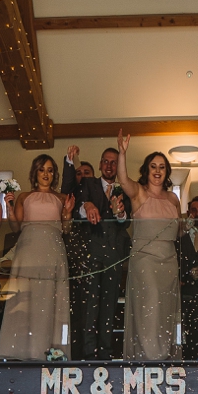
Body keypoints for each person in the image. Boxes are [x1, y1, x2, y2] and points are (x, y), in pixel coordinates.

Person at [0, 155, 73, 361]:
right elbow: (15, 227)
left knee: (49, 299)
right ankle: (18, 352)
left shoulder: (62, 198)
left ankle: (50, 352)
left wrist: (67, 215)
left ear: (54, 174)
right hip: (28, 249)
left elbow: (66, 229)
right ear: (35, 173)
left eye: (50, 170)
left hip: (52, 249)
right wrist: (10, 209)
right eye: (42, 169)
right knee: (25, 299)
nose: (46, 174)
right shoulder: (24, 197)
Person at [115, 133, 182, 361]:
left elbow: (178, 231)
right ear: (147, 169)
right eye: (153, 166)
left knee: (165, 308)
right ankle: (149, 355)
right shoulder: (139, 193)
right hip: (145, 258)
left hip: (169, 260)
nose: (157, 170)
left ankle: (164, 356)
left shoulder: (173, 199)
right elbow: (123, 180)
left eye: (162, 167)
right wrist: (122, 154)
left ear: (167, 172)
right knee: (150, 302)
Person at [62, 146, 130, 360]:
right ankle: (89, 354)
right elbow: (73, 202)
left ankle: (106, 353)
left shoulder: (125, 188)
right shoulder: (88, 183)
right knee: (90, 305)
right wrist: (87, 206)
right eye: (106, 161)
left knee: (109, 306)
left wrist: (120, 213)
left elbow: (125, 222)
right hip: (91, 253)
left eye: (113, 162)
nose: (109, 166)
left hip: (114, 255)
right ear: (100, 164)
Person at [177, 197, 198, 356]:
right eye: (194, 210)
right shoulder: (178, 237)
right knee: (178, 336)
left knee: (197, 338)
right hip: (180, 294)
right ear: (188, 212)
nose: (197, 213)